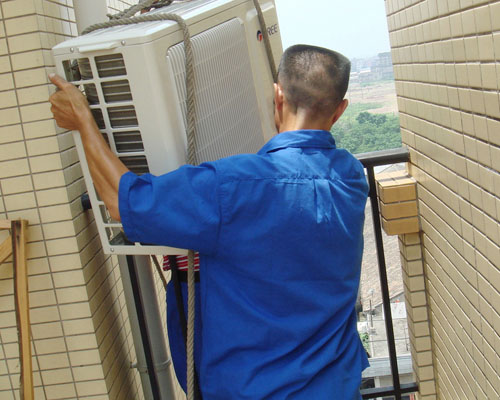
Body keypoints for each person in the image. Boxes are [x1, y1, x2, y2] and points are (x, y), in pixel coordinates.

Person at [49, 44, 369, 399]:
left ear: (277, 95)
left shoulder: (232, 186)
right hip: (337, 387)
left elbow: (122, 203)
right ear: (340, 110)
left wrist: (83, 121)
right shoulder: (352, 177)